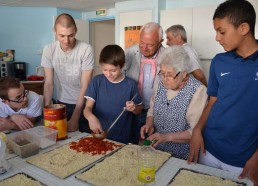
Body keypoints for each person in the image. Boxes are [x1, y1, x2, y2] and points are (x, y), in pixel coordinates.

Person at [187, 1, 258, 185]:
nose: (217, 38)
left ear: (243, 28)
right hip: (208, 150)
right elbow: (212, 102)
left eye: (222, 31)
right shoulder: (219, 61)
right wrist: (197, 130)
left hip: (245, 159)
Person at [140, 45, 207, 160]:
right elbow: (152, 109)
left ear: (184, 73)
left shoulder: (197, 90)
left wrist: (166, 137)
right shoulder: (161, 82)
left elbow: (195, 131)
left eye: (170, 74)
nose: (165, 78)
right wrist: (149, 123)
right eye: (162, 73)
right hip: (157, 150)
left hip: (181, 156)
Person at [41, 13, 94, 133]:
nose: (66, 41)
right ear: (54, 31)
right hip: (62, 103)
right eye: (62, 35)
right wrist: (47, 112)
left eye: (71, 35)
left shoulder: (86, 49)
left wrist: (75, 117)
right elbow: (49, 83)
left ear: (76, 30)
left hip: (85, 104)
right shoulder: (49, 50)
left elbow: (85, 84)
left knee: (83, 142)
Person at [83, 45, 142, 144]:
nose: (108, 74)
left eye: (113, 71)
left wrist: (134, 108)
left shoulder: (131, 85)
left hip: (123, 139)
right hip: (100, 136)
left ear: (122, 66)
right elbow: (87, 108)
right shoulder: (97, 81)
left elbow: (139, 110)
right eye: (105, 70)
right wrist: (90, 117)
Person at [124, 22, 164, 144]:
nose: (144, 48)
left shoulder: (168, 56)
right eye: (142, 42)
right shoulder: (129, 52)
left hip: (157, 110)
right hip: (134, 107)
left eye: (150, 45)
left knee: (152, 144)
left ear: (160, 42)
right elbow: (120, 76)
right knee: (132, 141)